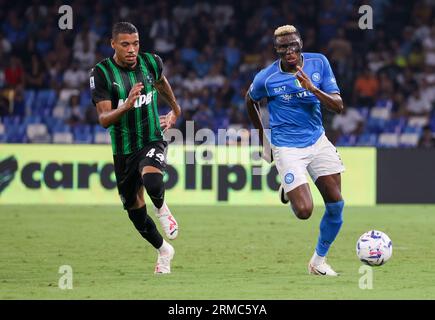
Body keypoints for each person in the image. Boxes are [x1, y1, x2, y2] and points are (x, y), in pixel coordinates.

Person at [245, 25, 345, 276]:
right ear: (276, 50)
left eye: (292, 45)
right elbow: (250, 100)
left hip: (317, 140)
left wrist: (312, 88)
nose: (289, 51)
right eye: (282, 47)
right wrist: (262, 138)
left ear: (300, 43)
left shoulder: (319, 63)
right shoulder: (266, 78)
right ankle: (290, 187)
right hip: (287, 146)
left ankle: (318, 262)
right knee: (304, 212)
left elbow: (338, 106)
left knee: (336, 205)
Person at [90, 22, 180, 274]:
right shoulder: (102, 73)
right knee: (135, 213)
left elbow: (162, 83)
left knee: (152, 180)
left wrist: (175, 108)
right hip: (123, 150)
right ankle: (164, 251)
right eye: (125, 44)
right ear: (113, 44)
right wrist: (127, 105)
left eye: (136, 43)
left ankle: (163, 210)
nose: (132, 49)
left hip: (152, 137)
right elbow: (104, 119)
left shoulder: (151, 62)